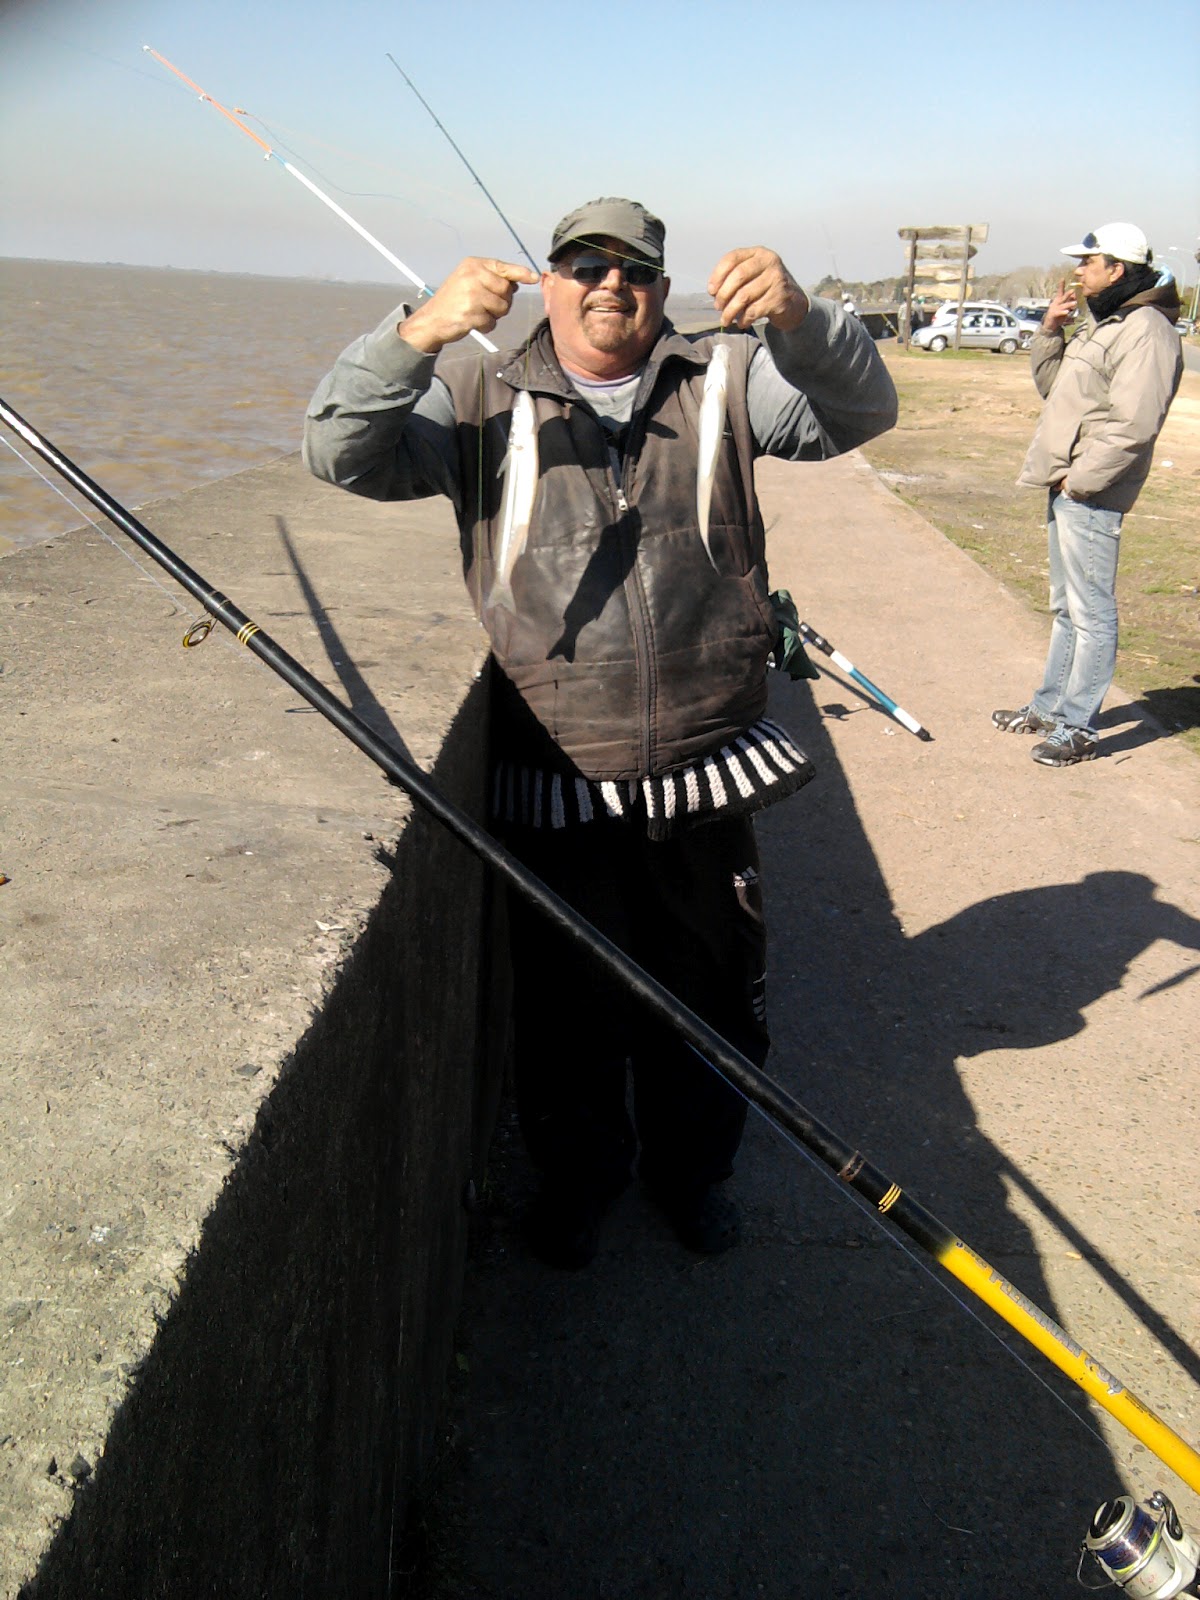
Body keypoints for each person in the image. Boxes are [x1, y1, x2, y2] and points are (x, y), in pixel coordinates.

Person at [304, 197, 897, 1267]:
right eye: (586, 264)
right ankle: (578, 1184)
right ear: (549, 280)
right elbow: (339, 451)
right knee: (567, 1016)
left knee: (716, 1005)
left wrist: (803, 320)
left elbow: (858, 412)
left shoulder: (724, 377)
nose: (610, 284)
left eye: (634, 268)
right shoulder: (477, 391)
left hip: (711, 769)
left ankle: (694, 1177)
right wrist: (417, 332)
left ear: (662, 289)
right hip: (558, 768)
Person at [995, 223, 1183, 766]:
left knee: (1091, 611)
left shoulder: (1146, 330)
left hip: (1090, 490)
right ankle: (1049, 708)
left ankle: (1079, 726)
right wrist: (1050, 331)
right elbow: (1057, 391)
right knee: (1066, 607)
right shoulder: (1106, 322)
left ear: (1117, 269)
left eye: (1088, 262)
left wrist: (1080, 481)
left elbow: (1134, 424)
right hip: (1069, 483)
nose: (1079, 270)